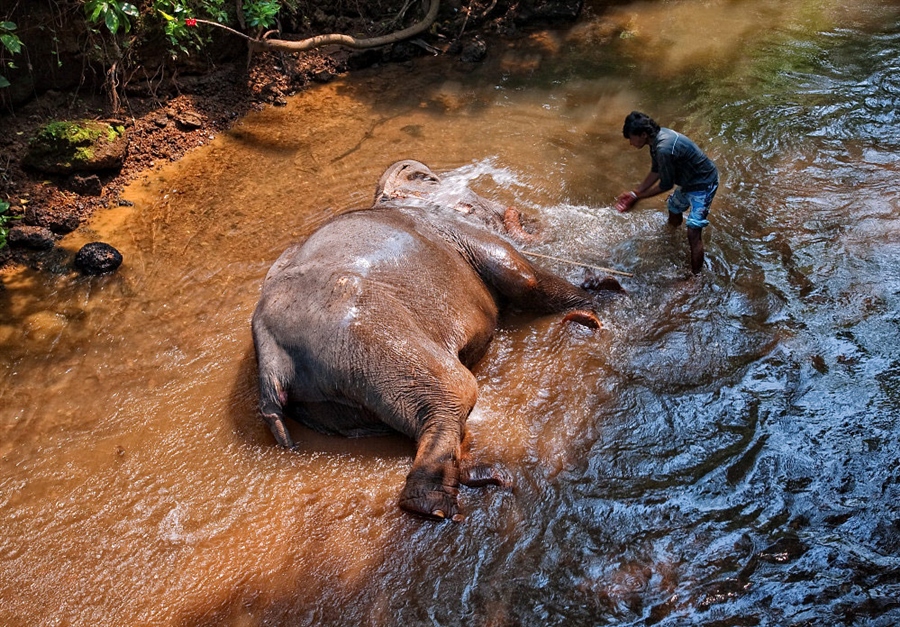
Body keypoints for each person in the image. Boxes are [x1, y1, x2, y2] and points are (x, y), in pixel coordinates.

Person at [615, 111, 718, 274]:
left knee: (693, 231)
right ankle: (672, 235)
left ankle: (695, 277)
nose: (630, 143)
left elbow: (666, 185)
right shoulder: (656, 141)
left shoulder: (664, 148)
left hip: (703, 184)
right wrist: (635, 192)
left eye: (631, 138)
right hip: (688, 181)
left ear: (642, 134)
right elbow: (656, 170)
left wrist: (638, 198)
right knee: (674, 208)